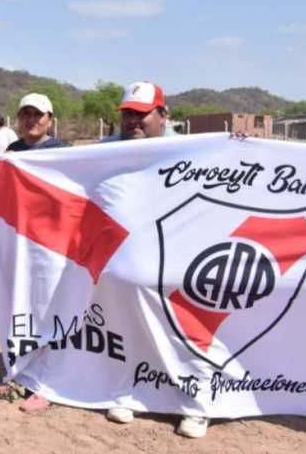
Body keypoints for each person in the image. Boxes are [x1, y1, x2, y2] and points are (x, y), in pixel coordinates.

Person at [99, 81, 208, 439]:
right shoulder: (107, 150)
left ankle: (196, 405)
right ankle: (132, 392)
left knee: (187, 332)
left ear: (164, 115)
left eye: (141, 114)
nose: (133, 121)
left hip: (181, 262)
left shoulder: (193, 150)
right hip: (133, 264)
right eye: (127, 113)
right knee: (133, 328)